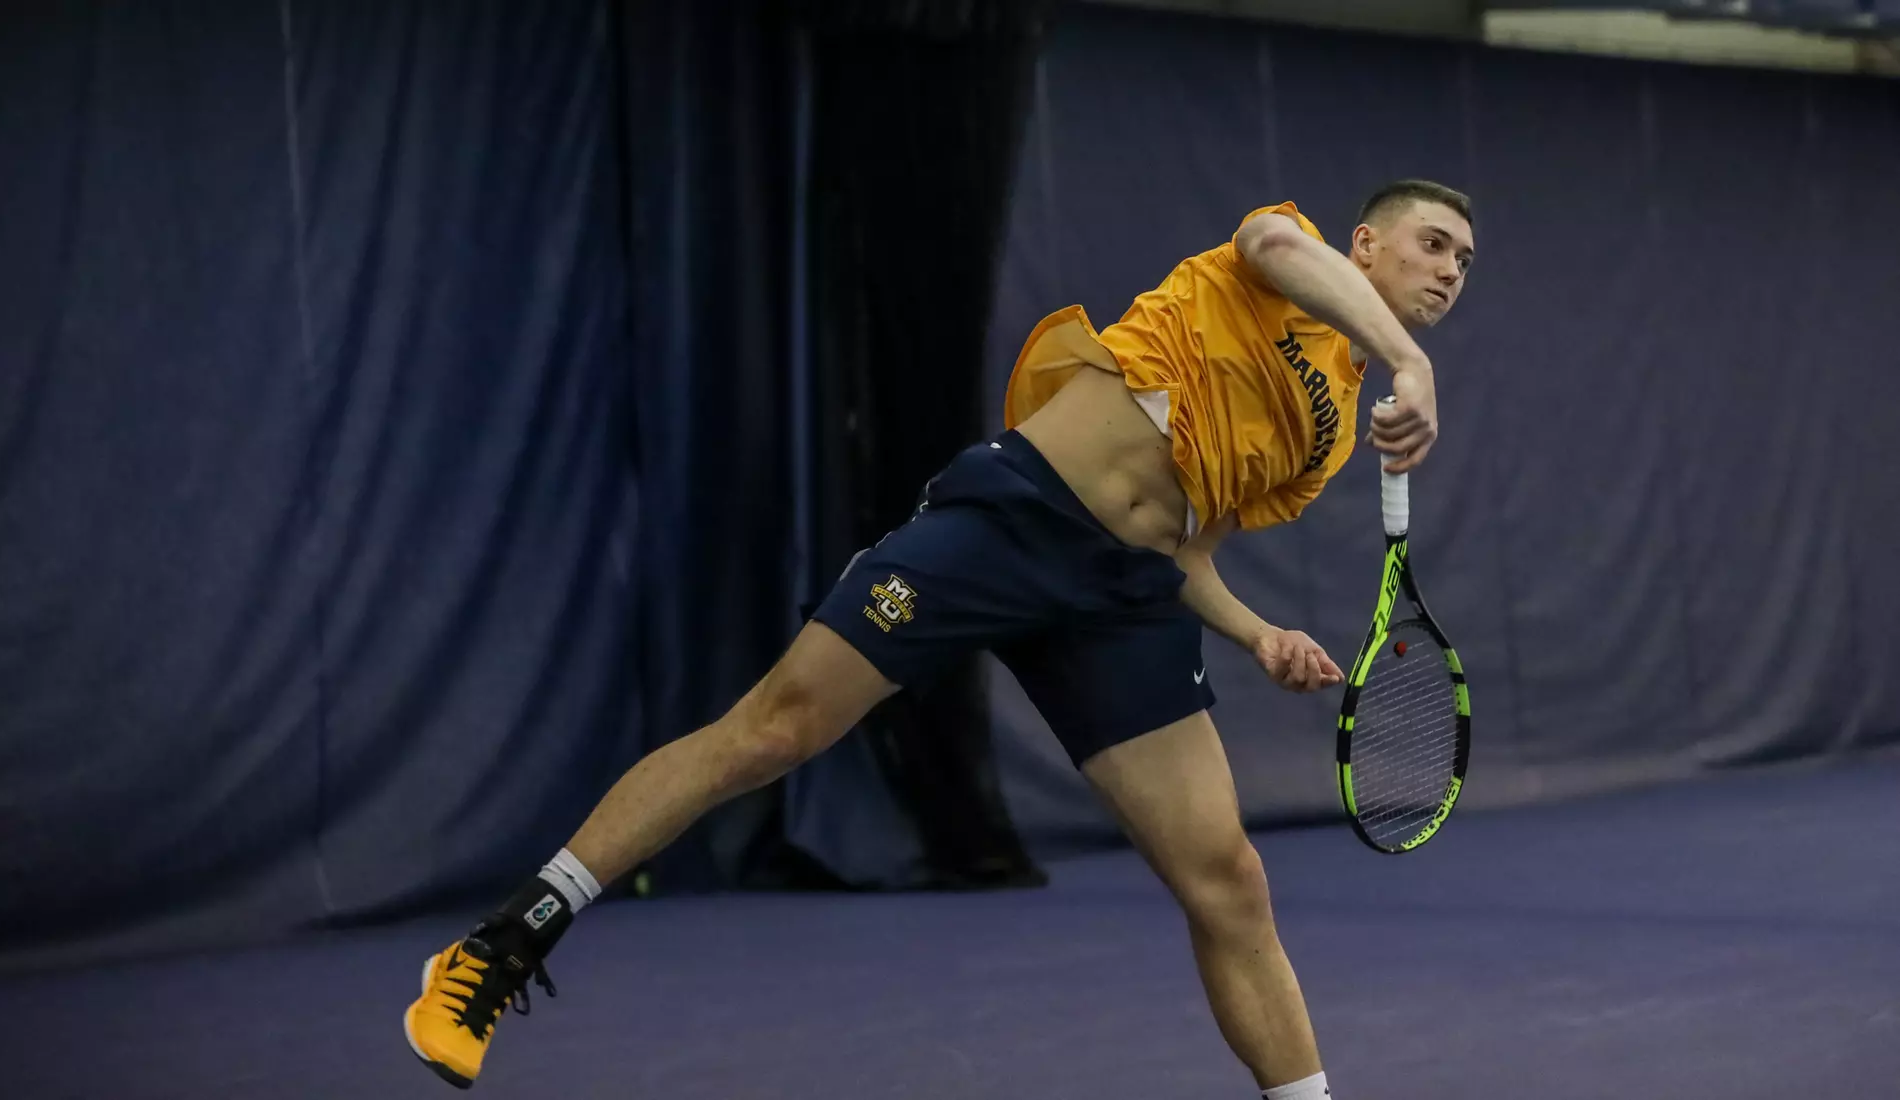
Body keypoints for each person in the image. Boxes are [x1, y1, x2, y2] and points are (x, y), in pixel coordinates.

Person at [403, 179, 1477, 1098]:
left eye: (1465, 262)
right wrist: (1409, 362)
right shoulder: (1277, 251)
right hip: (1012, 522)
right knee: (774, 730)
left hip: (1122, 595)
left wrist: (1254, 632)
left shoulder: (1336, 427)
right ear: (1367, 242)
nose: (1449, 271)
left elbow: (1189, 543)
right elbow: (1283, 251)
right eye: (1434, 243)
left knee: (1228, 878)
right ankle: (498, 945)